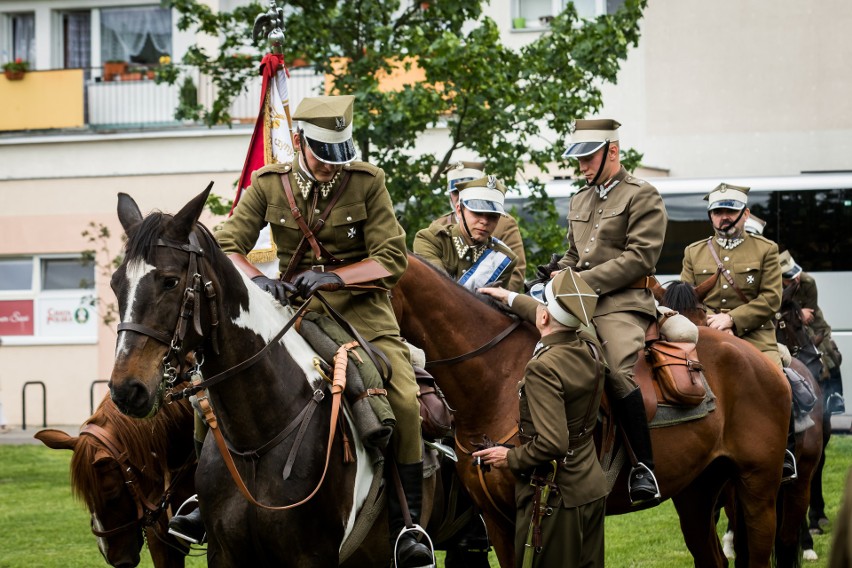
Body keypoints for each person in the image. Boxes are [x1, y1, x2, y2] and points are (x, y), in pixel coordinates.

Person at [187, 95, 430, 566]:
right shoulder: (270, 184)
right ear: (299, 141)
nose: (330, 166)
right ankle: (198, 501)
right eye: (322, 153)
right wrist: (261, 282)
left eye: (339, 153)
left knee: (400, 394)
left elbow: (393, 259)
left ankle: (408, 525)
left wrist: (338, 276)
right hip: (290, 310)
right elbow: (226, 244)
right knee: (211, 384)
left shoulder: (367, 182)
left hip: (360, 311)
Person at [537, 118, 666, 505]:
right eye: (577, 160)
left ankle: (644, 466)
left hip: (624, 302)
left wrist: (580, 281)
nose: (582, 167)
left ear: (612, 151)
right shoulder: (580, 198)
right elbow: (576, 254)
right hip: (578, 299)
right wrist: (559, 268)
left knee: (613, 366)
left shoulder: (642, 195)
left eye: (588, 158)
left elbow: (640, 258)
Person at [475, 269, 607, 568]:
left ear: (544, 317)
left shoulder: (543, 368)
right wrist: (508, 297)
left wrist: (510, 457)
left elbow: (552, 444)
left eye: (541, 306)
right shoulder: (590, 345)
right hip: (590, 487)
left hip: (556, 499)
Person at [679, 183, 796, 480]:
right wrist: (707, 322)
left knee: (779, 380)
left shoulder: (766, 250)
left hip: (754, 335)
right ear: (710, 217)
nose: (723, 217)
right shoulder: (694, 253)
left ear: (745, 214)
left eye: (730, 211)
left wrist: (732, 319)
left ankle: (785, 451)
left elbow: (771, 299)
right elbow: (685, 297)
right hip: (705, 335)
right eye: (717, 212)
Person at [779, 249, 845, 533]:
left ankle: (833, 397)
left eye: (794, 275)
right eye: (788, 278)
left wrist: (803, 315)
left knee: (827, 354)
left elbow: (812, 312)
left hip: (808, 325)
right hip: (782, 323)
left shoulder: (807, 282)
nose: (794, 279)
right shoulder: (770, 280)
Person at [414, 175, 520, 291]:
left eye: (493, 217)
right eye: (477, 213)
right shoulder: (431, 240)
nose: (484, 221)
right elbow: (438, 290)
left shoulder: (503, 258)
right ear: (459, 211)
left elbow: (493, 307)